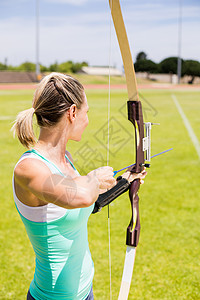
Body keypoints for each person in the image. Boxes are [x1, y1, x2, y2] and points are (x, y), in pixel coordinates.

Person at [12, 72, 146, 300]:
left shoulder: (67, 160)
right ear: (72, 112)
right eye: (87, 112)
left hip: (86, 291)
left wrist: (125, 182)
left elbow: (86, 204)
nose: (87, 119)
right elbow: (80, 197)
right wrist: (94, 178)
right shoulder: (29, 169)